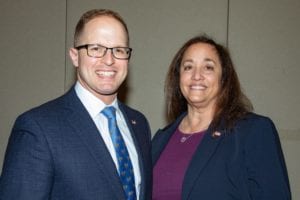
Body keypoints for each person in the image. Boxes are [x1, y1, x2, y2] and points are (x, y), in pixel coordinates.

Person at [0, 9, 152, 200]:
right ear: (74, 56)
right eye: (96, 48)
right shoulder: (37, 128)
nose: (109, 60)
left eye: (119, 50)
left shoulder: (139, 124)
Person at [152, 35, 291, 200]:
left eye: (208, 67)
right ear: (178, 77)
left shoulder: (254, 131)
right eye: (188, 67)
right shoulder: (160, 139)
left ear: (224, 78)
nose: (197, 75)